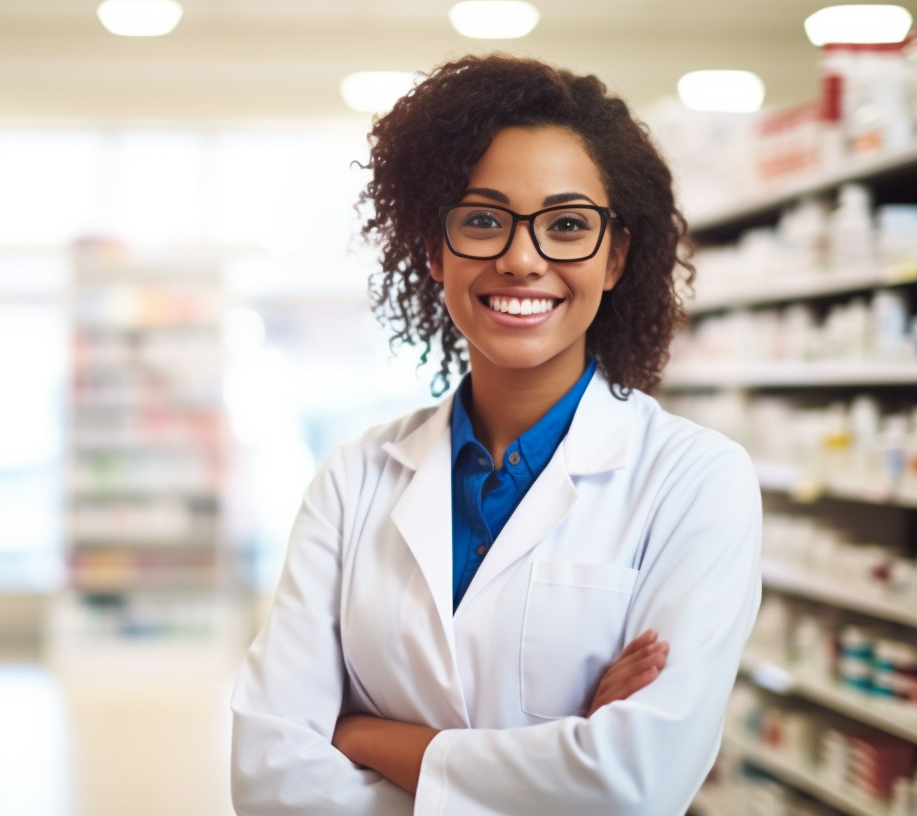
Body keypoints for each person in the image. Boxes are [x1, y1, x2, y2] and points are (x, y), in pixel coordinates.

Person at [229, 53, 762, 815]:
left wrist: (363, 736)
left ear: (614, 257)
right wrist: (561, 752)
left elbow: (633, 782)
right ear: (434, 249)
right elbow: (270, 779)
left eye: (568, 225)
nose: (521, 258)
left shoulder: (697, 479)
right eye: (483, 220)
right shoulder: (353, 479)